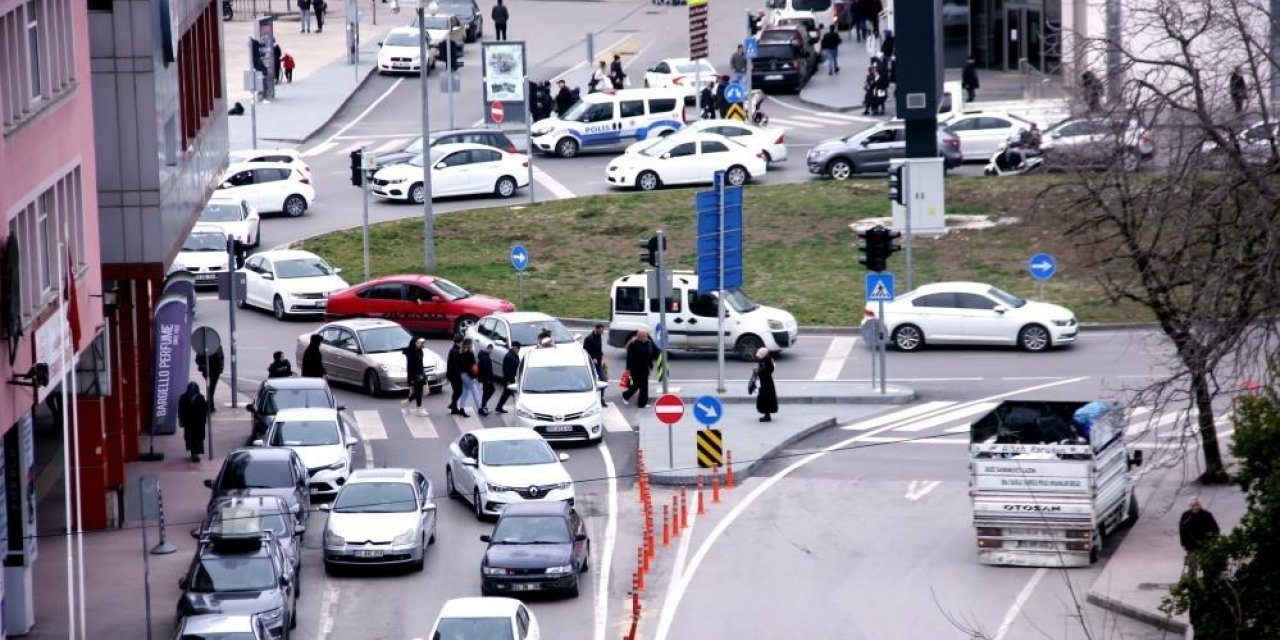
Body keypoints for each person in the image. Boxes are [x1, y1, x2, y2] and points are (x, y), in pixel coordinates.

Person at [621, 330, 655, 408]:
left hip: (645, 369)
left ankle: (642, 403)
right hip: (635, 370)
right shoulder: (633, 345)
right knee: (635, 385)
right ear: (640, 336)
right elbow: (629, 358)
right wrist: (628, 369)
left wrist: (650, 365)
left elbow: (649, 355)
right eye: (645, 336)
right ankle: (625, 395)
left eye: (647, 336)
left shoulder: (648, 344)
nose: (647, 337)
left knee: (644, 387)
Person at [178, 382, 208, 462]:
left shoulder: (183, 397)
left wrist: (181, 420)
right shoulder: (200, 397)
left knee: (190, 438)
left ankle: (193, 453)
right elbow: (203, 412)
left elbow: (181, 410)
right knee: (198, 439)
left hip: (189, 423)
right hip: (198, 423)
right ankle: (196, 454)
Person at [403, 337, 429, 416]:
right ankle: (419, 408)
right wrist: (411, 379)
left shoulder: (420, 351)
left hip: (420, 374)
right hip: (414, 376)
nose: (420, 344)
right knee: (418, 392)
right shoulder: (411, 354)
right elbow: (410, 367)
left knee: (418, 392)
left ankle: (408, 402)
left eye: (420, 343)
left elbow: (421, 365)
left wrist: (424, 375)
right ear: (413, 344)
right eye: (418, 343)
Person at [459, 339, 485, 416]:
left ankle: (461, 409)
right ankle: (480, 408)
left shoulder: (461, 352)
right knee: (474, 390)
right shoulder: (470, 353)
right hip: (468, 375)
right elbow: (472, 366)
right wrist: (474, 377)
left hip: (462, 374)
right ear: (470, 345)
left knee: (465, 392)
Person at [494, 342, 521, 413]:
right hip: (509, 379)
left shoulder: (515, 355)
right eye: (518, 348)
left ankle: (499, 407)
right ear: (514, 347)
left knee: (509, 393)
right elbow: (506, 370)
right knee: (507, 393)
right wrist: (508, 381)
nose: (519, 350)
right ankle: (498, 407)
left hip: (513, 378)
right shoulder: (509, 356)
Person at [196, 346, 224, 412]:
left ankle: (209, 404)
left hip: (214, 371)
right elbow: (221, 358)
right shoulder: (217, 346)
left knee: (211, 388)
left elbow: (221, 358)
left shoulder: (206, 346)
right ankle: (210, 405)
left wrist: (221, 368)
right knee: (211, 388)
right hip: (209, 371)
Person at [582, 324, 606, 402]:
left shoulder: (599, 337)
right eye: (601, 330)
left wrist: (602, 359)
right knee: (591, 382)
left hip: (599, 364)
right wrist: (593, 358)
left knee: (603, 380)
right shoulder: (589, 339)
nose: (602, 332)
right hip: (591, 364)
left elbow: (599, 350)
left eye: (603, 330)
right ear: (596, 329)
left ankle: (601, 399)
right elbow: (585, 351)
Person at [754, 348, 778, 422]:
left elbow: (764, 371)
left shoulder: (766, 362)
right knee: (766, 398)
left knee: (765, 398)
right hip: (767, 383)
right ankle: (766, 415)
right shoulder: (767, 360)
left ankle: (767, 416)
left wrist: (757, 372)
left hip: (766, 384)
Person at [446, 336, 465, 415]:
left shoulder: (455, 350)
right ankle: (453, 407)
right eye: (462, 342)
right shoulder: (455, 351)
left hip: (453, 375)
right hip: (455, 375)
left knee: (457, 391)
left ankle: (453, 405)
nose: (462, 344)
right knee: (458, 391)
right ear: (458, 342)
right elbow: (458, 363)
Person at [477, 344, 496, 413]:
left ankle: (483, 406)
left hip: (485, 379)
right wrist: (488, 379)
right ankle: (483, 406)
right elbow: (486, 370)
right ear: (488, 348)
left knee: (487, 392)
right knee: (489, 391)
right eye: (491, 349)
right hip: (487, 379)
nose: (491, 351)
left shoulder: (484, 356)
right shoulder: (485, 358)